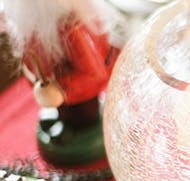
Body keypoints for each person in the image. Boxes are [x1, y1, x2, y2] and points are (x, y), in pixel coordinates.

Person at [4, 0, 119, 165]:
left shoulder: (72, 28)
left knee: (81, 115)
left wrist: (60, 89)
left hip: (79, 94)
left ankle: (80, 129)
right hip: (55, 92)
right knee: (65, 113)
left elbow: (93, 73)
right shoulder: (29, 25)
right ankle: (67, 126)